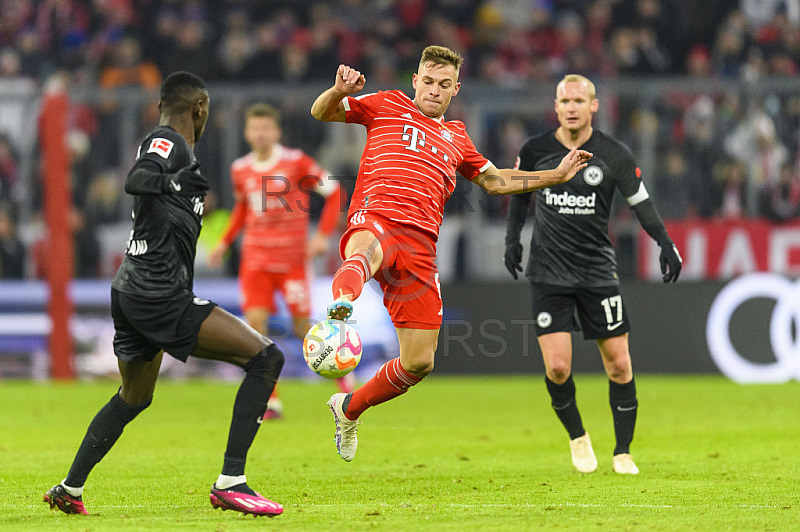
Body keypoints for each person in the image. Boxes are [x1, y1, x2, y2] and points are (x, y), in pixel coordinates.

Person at [310, 45, 593, 462]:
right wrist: (336, 91)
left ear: (455, 88)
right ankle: (340, 309)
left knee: (419, 363)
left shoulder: (458, 137)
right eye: (427, 81)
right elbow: (322, 113)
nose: (434, 90)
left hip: (421, 247)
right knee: (365, 250)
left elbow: (496, 182)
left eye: (444, 85)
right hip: (378, 219)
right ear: (415, 80)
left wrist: (555, 174)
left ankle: (349, 408)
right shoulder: (386, 104)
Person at [44, 72, 285, 517]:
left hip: (131, 289)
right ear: (199, 107)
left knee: (134, 397)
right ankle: (232, 482)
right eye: (206, 110)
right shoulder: (168, 141)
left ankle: (69, 488)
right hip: (158, 293)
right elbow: (137, 178)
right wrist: (174, 185)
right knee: (266, 358)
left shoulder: (173, 146)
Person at [504, 74, 682, 475]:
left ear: (593, 106)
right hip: (548, 272)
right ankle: (578, 438)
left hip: (598, 273)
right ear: (555, 106)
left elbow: (641, 203)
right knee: (558, 367)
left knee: (619, 364)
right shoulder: (535, 150)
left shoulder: (613, 153)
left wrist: (665, 243)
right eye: (564, 101)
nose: (571, 107)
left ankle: (623, 451)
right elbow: (518, 195)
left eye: (578, 101)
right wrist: (512, 239)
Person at [208, 103, 353, 420]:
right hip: (256, 261)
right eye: (254, 128)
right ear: (247, 133)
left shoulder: (296, 162)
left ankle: (345, 377)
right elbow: (243, 209)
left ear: (276, 132)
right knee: (255, 330)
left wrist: (322, 236)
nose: (260, 134)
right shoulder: (240, 169)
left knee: (303, 329)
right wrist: (224, 242)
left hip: (291, 262)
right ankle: (271, 400)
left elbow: (334, 192)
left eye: (266, 128)